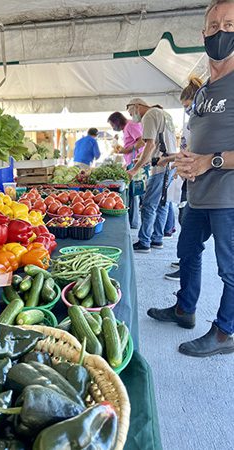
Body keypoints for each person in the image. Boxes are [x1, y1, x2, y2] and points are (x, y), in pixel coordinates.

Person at [147, 0, 234, 357]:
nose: (221, 32)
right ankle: (185, 309)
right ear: (203, 34)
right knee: (187, 252)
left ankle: (225, 331)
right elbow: (197, 139)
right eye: (214, 27)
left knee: (229, 269)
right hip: (198, 194)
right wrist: (181, 158)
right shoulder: (201, 92)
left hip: (228, 197)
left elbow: (211, 153)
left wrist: (209, 161)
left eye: (229, 25)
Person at [164, 76, 204, 281]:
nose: (187, 110)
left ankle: (186, 266)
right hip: (189, 180)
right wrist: (173, 159)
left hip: (198, 182)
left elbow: (194, 151)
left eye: (187, 106)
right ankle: (184, 264)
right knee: (186, 226)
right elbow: (187, 149)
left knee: (189, 229)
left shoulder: (203, 120)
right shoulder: (193, 121)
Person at [126, 99, 177, 253]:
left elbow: (151, 145)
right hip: (170, 163)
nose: (132, 117)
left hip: (161, 167)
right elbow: (161, 143)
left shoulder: (149, 115)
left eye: (131, 113)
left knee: (148, 205)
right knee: (162, 204)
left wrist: (135, 169)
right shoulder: (163, 113)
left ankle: (144, 242)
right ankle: (157, 239)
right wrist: (144, 160)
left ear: (137, 107)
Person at [107, 112, 144, 228]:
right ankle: (133, 222)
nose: (113, 128)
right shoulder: (128, 127)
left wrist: (126, 150)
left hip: (135, 163)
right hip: (132, 162)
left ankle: (133, 223)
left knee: (134, 194)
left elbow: (142, 141)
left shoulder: (131, 125)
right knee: (133, 194)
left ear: (117, 121)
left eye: (113, 125)